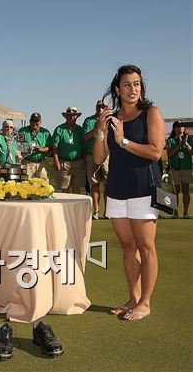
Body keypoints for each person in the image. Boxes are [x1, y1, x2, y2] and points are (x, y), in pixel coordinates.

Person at [93, 64, 165, 321]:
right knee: (127, 246)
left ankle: (145, 303)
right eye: (126, 84)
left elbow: (155, 152)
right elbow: (99, 158)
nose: (132, 89)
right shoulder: (112, 119)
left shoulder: (151, 113)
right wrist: (101, 132)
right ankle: (133, 299)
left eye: (136, 84)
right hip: (116, 189)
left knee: (146, 247)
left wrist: (124, 140)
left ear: (141, 87)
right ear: (117, 89)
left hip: (143, 188)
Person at [83, 101, 109, 219]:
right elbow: (85, 137)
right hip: (92, 155)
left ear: (106, 108)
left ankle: (108, 211)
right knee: (94, 184)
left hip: (107, 156)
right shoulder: (89, 120)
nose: (100, 109)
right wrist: (96, 128)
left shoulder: (111, 119)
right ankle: (96, 211)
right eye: (99, 106)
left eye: (103, 107)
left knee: (108, 184)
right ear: (96, 107)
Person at [52, 107, 86, 193]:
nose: (71, 117)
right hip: (64, 162)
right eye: (69, 115)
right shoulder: (59, 129)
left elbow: (84, 145)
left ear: (76, 117)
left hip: (78, 162)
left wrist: (84, 160)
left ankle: (75, 206)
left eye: (73, 115)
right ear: (65, 117)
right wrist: (56, 161)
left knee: (77, 188)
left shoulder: (80, 129)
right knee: (65, 188)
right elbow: (54, 146)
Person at [166, 120, 193, 218]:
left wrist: (185, 144)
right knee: (175, 191)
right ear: (174, 128)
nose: (180, 128)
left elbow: (191, 153)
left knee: (186, 190)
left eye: (182, 126)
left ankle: (185, 213)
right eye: (178, 126)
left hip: (186, 167)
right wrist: (178, 145)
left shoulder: (189, 138)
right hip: (175, 168)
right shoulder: (170, 140)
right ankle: (175, 213)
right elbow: (169, 154)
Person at [18, 112, 51, 181]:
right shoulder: (22, 131)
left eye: (37, 121)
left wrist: (42, 149)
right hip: (27, 163)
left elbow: (50, 148)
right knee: (25, 186)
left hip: (41, 163)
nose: (34, 123)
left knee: (43, 186)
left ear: (40, 122)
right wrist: (28, 148)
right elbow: (18, 146)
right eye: (32, 121)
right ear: (30, 121)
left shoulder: (46, 132)